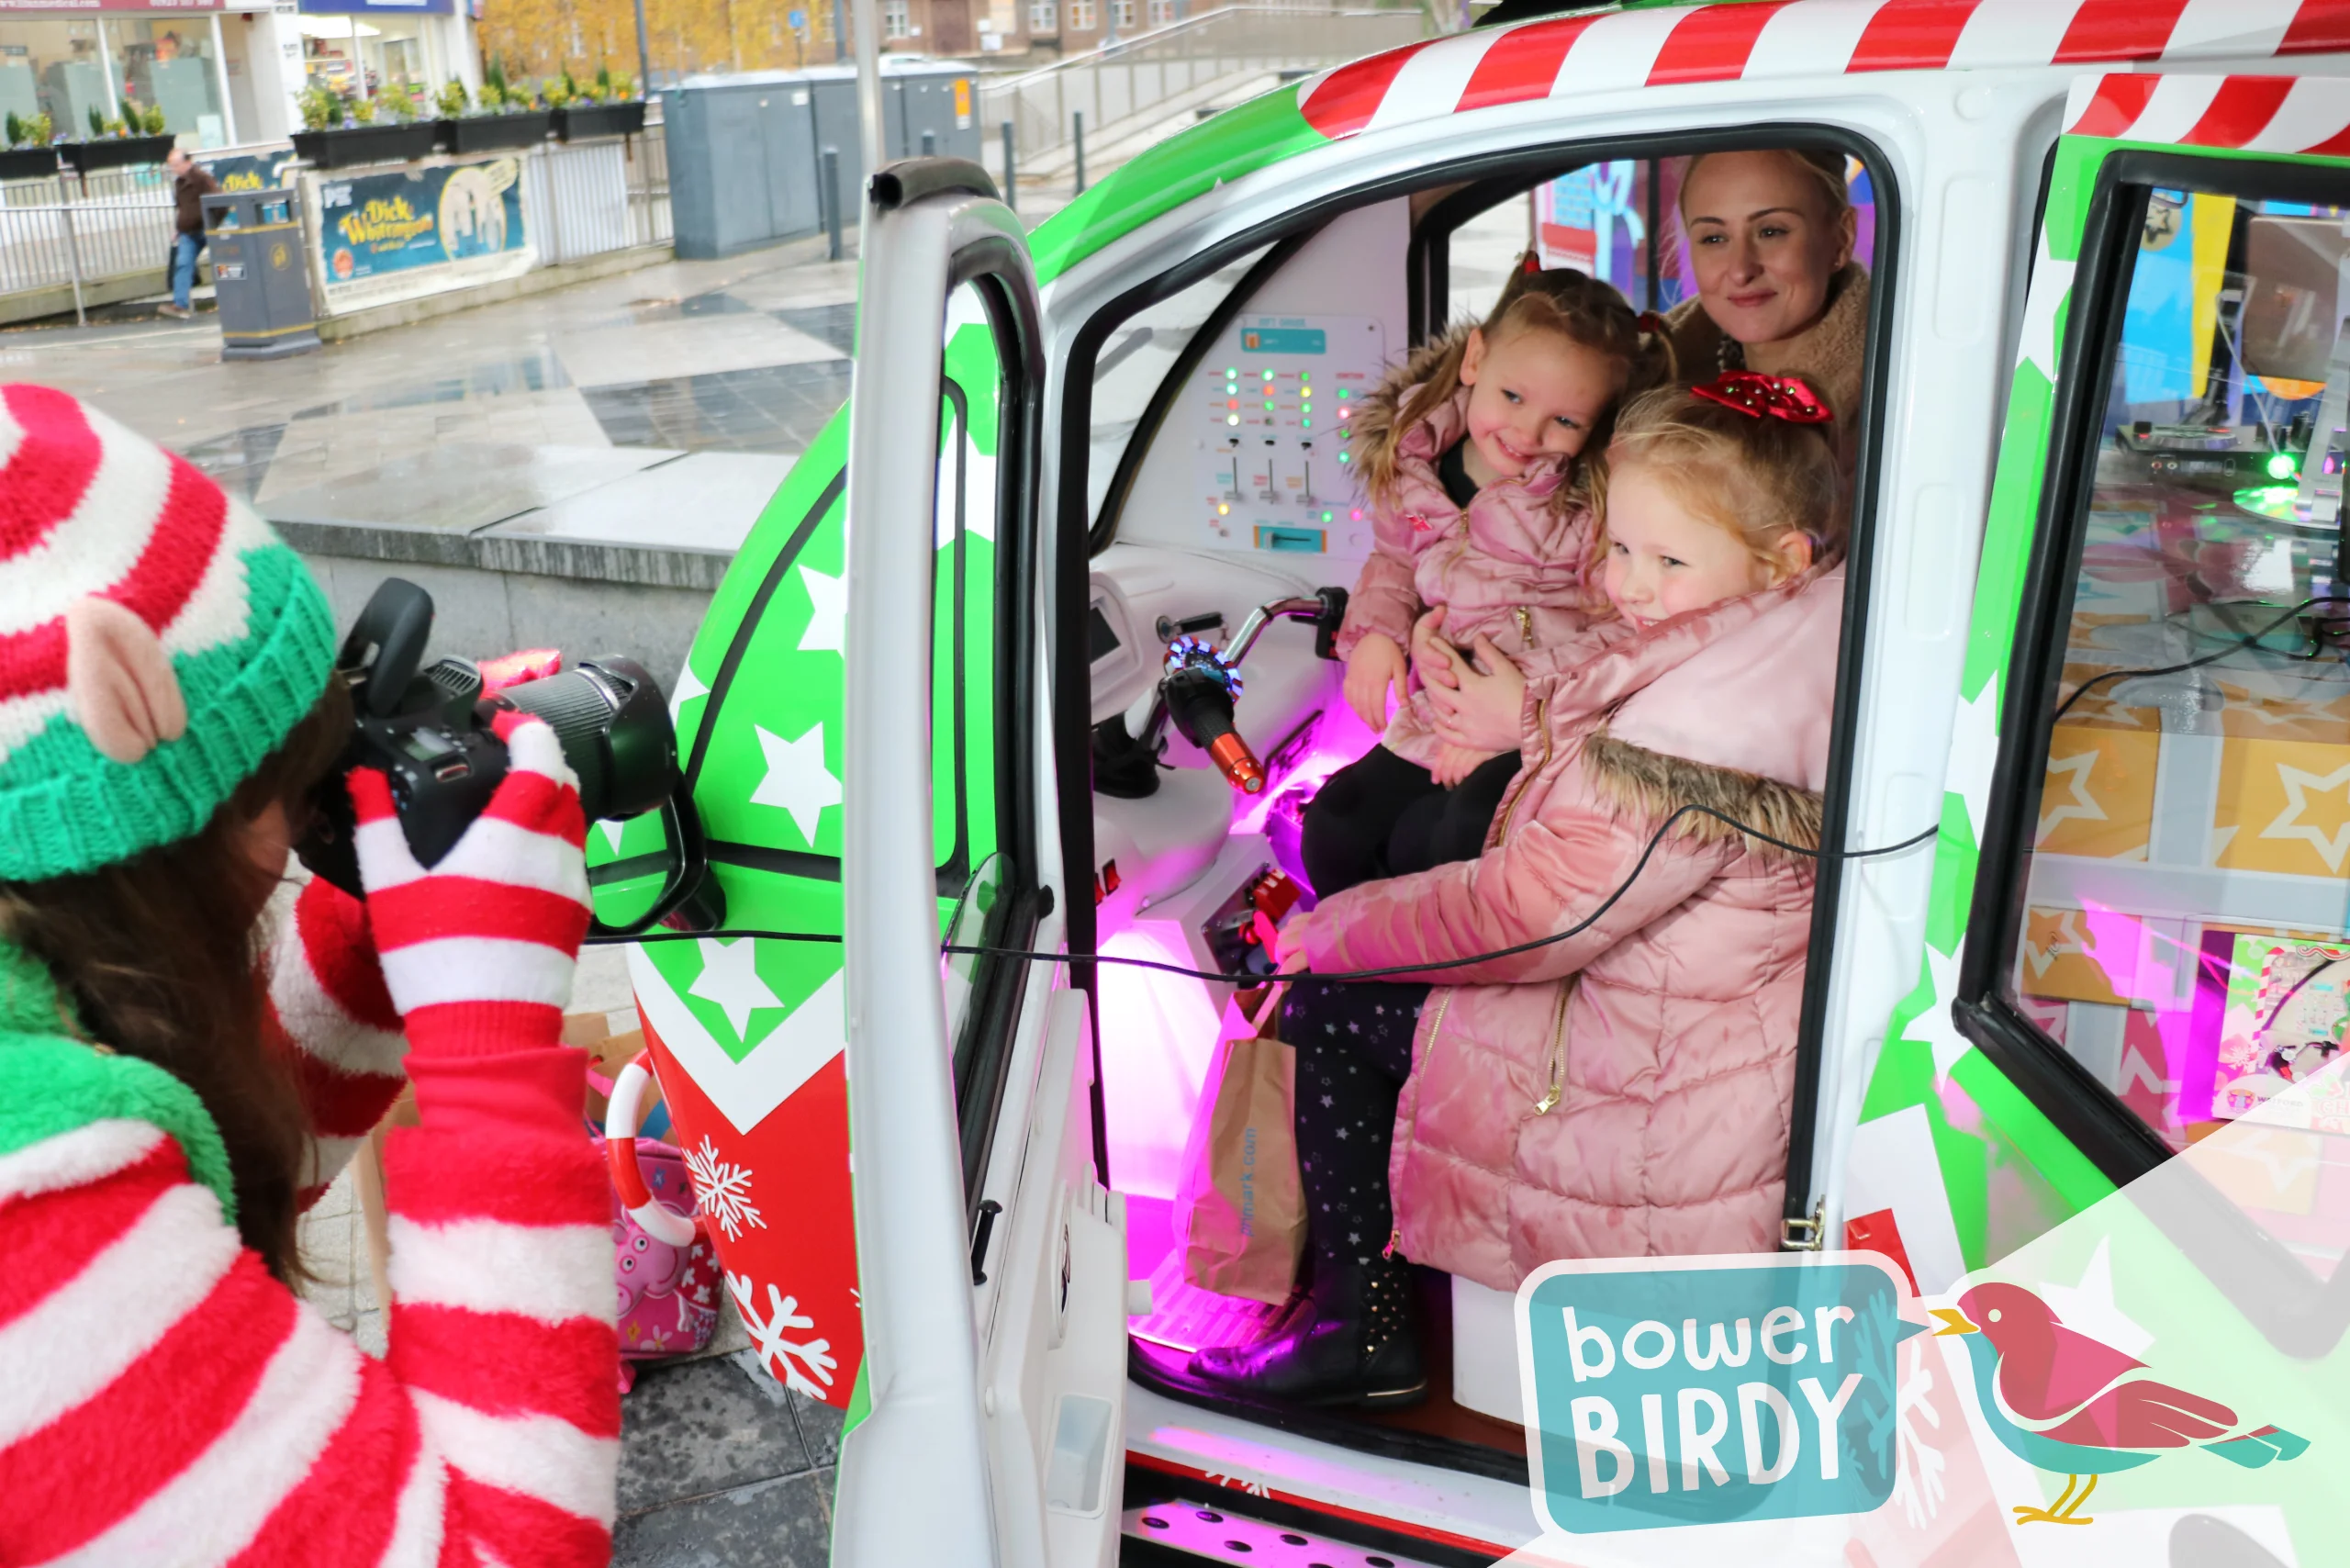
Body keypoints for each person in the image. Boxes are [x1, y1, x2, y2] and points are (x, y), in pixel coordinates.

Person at [0, 386, 620, 1562]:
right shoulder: (35, 1209)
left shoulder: (51, 1025)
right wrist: (488, 1047)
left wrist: (369, 920)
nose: (300, 826)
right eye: (289, 790)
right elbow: (498, 1550)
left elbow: (213, 1166)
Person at [1193, 373, 1846, 1408]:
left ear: (1783, 559)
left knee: (1327, 1002)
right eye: (1620, 548)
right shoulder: (1781, 634)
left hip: (1641, 1092)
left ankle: (1360, 1328)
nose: (1629, 585)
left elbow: (1532, 916)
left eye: (1667, 560)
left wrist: (1336, 931)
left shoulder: (1702, 732)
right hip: (1688, 1035)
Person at [1305, 257, 1673, 899]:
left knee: (1446, 839)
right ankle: (1359, 949)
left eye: (1565, 421)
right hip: (1442, 707)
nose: (1527, 434)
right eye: (1513, 397)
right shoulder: (1415, 461)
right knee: (1336, 829)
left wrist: (1516, 716)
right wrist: (1377, 634)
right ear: (1475, 360)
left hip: (1547, 715)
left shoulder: (1593, 502)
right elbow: (1395, 560)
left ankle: (1447, 959)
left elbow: (1626, 628)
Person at [1662, 150, 1870, 465]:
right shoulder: (1644, 379)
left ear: (1841, 239)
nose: (1741, 270)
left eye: (1771, 232)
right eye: (1714, 238)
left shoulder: (1901, 395)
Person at [162, 146, 217, 320]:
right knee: (183, 264)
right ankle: (180, 304)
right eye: (172, 166)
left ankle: (232, 296)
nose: (174, 169)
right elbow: (182, 208)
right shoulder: (179, 183)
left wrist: (212, 222)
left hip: (205, 228)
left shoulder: (202, 179)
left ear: (187, 162)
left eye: (176, 165)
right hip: (187, 231)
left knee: (221, 263)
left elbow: (218, 200)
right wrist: (178, 229)